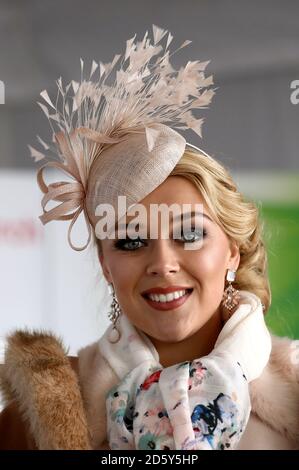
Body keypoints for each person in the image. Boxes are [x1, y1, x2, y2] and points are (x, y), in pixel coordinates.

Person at [0, 26, 299, 450]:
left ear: (232, 250)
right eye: (130, 241)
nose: (162, 262)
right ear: (105, 264)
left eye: (189, 234)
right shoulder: (37, 415)